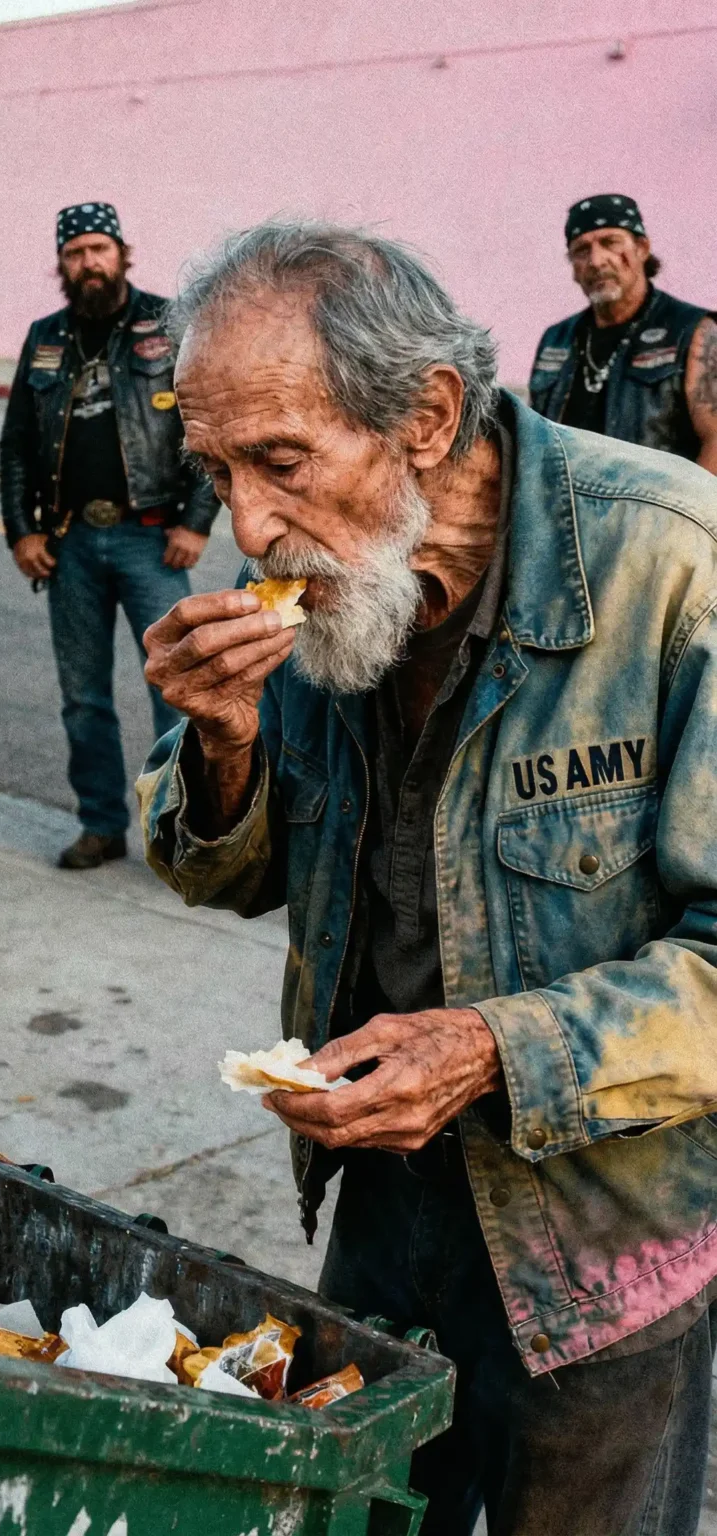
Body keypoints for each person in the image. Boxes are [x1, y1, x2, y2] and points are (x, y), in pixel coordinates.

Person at [140, 221, 717, 1535]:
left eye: (278, 462)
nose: (246, 523)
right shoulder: (323, 576)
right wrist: (223, 743)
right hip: (386, 1214)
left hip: (600, 1248)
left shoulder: (672, 563)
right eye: (216, 470)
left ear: (425, 415)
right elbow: (225, 874)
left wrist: (489, 1049)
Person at [0, 202, 220, 869]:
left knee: (174, 691)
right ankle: (99, 825)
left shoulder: (169, 324)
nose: (87, 263)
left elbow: (207, 425)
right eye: (74, 253)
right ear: (61, 264)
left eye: (97, 249)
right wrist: (20, 532)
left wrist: (196, 521)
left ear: (122, 252)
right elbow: (14, 447)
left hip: (151, 541)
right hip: (68, 547)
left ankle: (178, 830)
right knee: (82, 697)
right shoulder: (44, 339)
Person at [530, 193, 717, 469]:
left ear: (642, 249)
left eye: (610, 242)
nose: (596, 260)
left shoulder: (694, 331)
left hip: (660, 507)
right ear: (573, 267)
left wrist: (682, 512)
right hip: (567, 509)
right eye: (581, 250)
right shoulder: (556, 340)